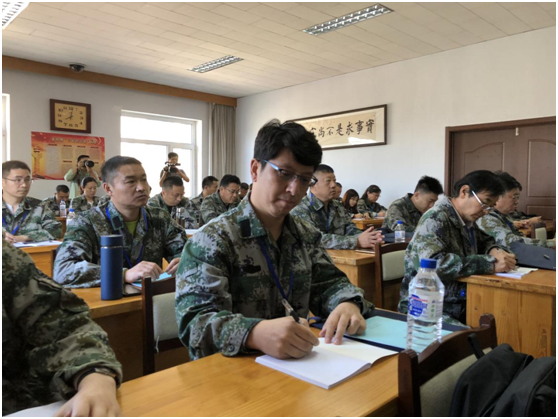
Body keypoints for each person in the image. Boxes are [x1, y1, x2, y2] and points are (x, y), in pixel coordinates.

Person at [175, 120, 373, 361]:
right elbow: (195, 324)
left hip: (298, 367)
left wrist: (347, 304)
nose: (294, 189)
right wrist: (253, 333)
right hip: (232, 370)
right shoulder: (213, 239)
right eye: (285, 174)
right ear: (255, 169)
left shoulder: (305, 234)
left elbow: (331, 283)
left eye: (304, 179)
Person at [2, 239, 122, 417]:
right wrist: (124, 273)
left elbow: (65, 327)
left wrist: (95, 378)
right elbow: (64, 270)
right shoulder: (84, 225)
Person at [398, 170, 517, 325]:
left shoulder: (466, 219)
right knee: (471, 337)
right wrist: (489, 263)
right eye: (484, 203)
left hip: (458, 299)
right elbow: (434, 265)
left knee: (507, 317)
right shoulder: (435, 218)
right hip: (427, 304)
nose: (485, 212)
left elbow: (485, 241)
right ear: (464, 191)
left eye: (490, 207)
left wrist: (494, 251)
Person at [53, 156, 187, 288]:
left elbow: (185, 252)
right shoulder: (86, 222)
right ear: (108, 189)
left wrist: (185, 261)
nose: (141, 187)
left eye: (144, 180)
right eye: (131, 182)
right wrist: (122, 274)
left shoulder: (160, 218)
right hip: (106, 299)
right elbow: (63, 270)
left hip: (151, 298)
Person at [291, 164, 383, 250]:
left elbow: (349, 228)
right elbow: (316, 239)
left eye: (334, 181)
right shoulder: (300, 209)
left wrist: (367, 238)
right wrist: (356, 241)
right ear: (312, 184)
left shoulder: (337, 206)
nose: (333, 185)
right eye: (328, 181)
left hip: (342, 257)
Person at [477, 172, 555, 248]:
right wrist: (551, 243)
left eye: (518, 197)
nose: (517, 201)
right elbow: (511, 242)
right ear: (497, 197)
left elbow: (518, 237)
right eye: (514, 197)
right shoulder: (486, 217)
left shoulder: (504, 215)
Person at [2, 160, 61, 242]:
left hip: (32, 250)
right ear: (2, 181)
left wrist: (25, 237)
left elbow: (56, 230)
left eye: (27, 180)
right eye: (18, 180)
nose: (24, 185)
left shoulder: (40, 206)